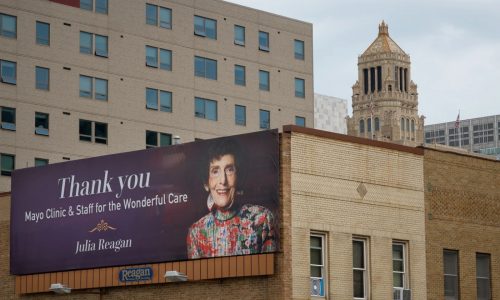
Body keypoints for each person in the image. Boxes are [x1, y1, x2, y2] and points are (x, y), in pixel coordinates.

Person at [186, 141, 276, 259]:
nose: (223, 180)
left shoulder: (261, 219)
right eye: (215, 171)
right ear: (206, 183)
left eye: (229, 170)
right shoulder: (196, 232)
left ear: (239, 177)